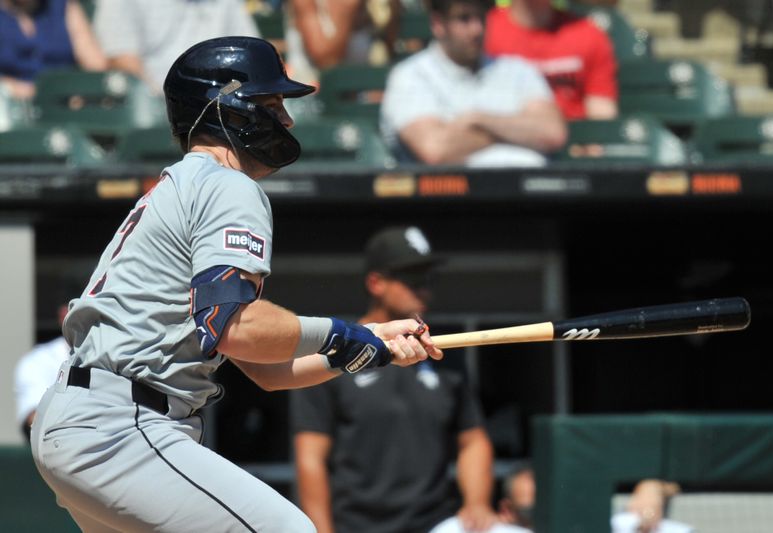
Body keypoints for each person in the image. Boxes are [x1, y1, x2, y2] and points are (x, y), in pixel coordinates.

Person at [30, 36, 442, 532]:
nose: (286, 120)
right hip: (122, 427)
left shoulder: (185, 184)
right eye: (271, 104)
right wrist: (342, 331)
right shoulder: (228, 184)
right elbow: (236, 329)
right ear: (229, 111)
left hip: (85, 420)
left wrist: (360, 348)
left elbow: (268, 371)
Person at [291, 225, 497, 533]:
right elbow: (310, 458)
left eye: (429, 279)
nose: (424, 289)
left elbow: (474, 441)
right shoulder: (333, 354)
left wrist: (477, 503)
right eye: (413, 278)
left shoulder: (444, 354)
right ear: (376, 282)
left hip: (436, 524)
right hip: (357, 526)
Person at [380, 0, 566, 168]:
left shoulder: (518, 70)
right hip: (453, 197)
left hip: (532, 193)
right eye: (464, 19)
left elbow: (553, 133)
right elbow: (435, 150)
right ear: (438, 24)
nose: (476, 29)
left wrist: (478, 120)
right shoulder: (411, 75)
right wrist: (517, 133)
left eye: (481, 18)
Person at [484, 0, 619, 120]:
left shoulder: (590, 36)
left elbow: (602, 114)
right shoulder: (483, 32)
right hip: (505, 140)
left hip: (573, 141)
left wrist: (592, 144)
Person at [92, 0, 260, 92]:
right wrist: (176, 103)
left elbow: (251, 59)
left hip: (222, 106)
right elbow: (122, 61)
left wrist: (223, 97)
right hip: (158, 107)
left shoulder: (227, 3)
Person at [0, 0, 107, 100]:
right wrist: (33, 92)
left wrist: (80, 92)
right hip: (10, 104)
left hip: (64, 102)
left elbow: (97, 68)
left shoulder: (63, 6)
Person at [284, 0, 401, 85]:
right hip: (312, 95)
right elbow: (326, 63)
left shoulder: (373, 6)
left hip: (362, 95)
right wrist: (347, 10)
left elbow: (390, 50)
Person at [13, 303, 71, 440]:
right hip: (55, 454)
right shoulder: (38, 360)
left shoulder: (121, 358)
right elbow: (34, 420)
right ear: (64, 314)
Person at [611, 479, 695, 533]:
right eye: (643, 501)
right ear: (633, 503)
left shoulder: (679, 530)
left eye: (654, 505)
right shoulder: (618, 522)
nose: (648, 509)